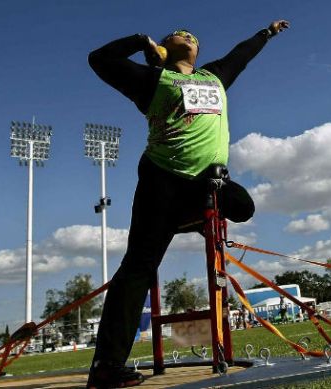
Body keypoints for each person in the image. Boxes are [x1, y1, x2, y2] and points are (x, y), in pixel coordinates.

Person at [86, 20, 290, 388]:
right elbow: (98, 59)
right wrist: (138, 41)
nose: (189, 36)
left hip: (207, 184)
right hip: (161, 183)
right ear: (163, 48)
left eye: (194, 36)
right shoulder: (150, 80)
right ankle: (106, 365)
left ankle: (203, 208)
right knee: (138, 269)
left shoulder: (214, 76)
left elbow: (241, 55)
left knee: (243, 207)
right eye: (180, 34)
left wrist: (266, 33)